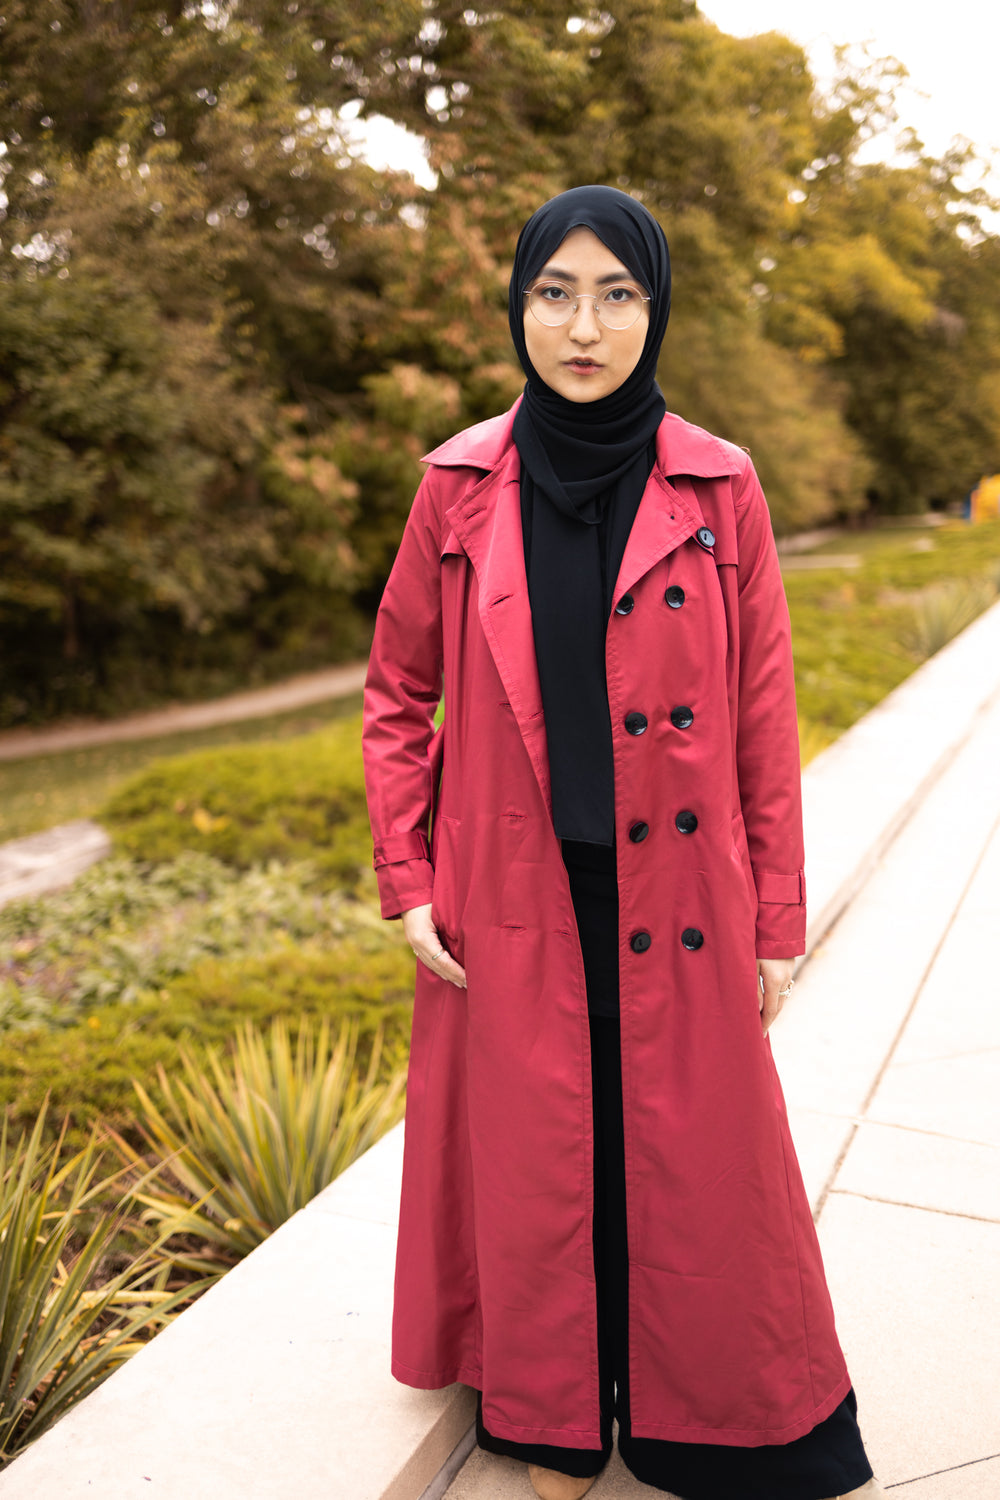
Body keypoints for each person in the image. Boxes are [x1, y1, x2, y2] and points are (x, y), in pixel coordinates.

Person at [362, 186, 883, 1500]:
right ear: (520, 304)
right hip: (514, 890)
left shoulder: (721, 482)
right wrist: (406, 877)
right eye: (555, 292)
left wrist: (776, 919)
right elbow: (393, 694)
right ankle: (547, 1422)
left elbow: (767, 709)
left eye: (616, 294)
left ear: (655, 311)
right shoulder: (457, 485)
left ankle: (703, 1416)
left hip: (680, 886)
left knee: (681, 1156)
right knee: (543, 1161)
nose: (582, 325)